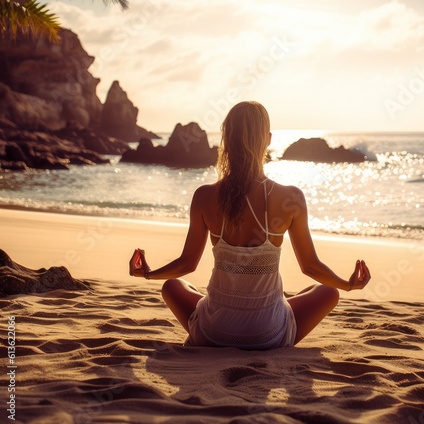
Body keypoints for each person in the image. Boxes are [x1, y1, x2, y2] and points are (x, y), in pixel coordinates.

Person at [131, 101, 370, 349]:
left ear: (226, 139)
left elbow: (187, 264)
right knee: (328, 292)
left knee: (172, 285)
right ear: (267, 139)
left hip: (213, 333)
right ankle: (268, 304)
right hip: (267, 335)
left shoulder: (205, 196)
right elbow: (310, 266)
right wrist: (348, 284)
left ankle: (239, 309)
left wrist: (148, 273)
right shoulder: (291, 197)